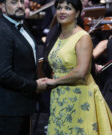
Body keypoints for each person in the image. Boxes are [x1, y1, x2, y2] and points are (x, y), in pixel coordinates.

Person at [42, 0, 112, 134]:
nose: (62, 11)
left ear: (77, 13)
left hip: (79, 96)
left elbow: (81, 72)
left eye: (68, 8)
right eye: (59, 7)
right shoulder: (56, 34)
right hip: (59, 96)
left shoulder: (83, 37)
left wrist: (54, 81)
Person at [0, 0, 47, 135]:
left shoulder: (20, 24)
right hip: (9, 109)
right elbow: (4, 74)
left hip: (22, 105)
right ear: (3, 7)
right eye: (14, 2)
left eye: (21, 1)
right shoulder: (2, 32)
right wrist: (34, 86)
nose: (20, 5)